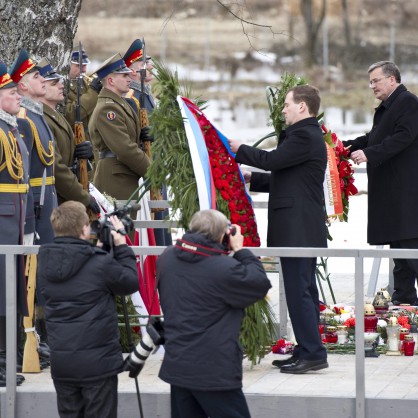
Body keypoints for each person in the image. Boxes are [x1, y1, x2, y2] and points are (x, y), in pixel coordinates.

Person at [126, 209, 271, 418]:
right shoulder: (224, 269)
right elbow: (259, 284)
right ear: (223, 235)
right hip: (214, 370)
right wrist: (240, 250)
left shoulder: (167, 258)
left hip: (179, 365)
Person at [228, 84, 328, 374]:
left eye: (287, 104)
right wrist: (251, 179)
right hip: (298, 227)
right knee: (301, 290)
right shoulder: (303, 136)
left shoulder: (305, 136)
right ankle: (308, 349)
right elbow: (284, 179)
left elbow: (272, 161)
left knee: (300, 291)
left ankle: (313, 352)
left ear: (302, 107)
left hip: (299, 228)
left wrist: (239, 150)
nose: (283, 109)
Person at [37, 200, 139, 418]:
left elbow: (77, 267)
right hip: (98, 365)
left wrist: (98, 250)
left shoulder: (45, 262)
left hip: (63, 364)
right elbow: (130, 282)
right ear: (85, 229)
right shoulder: (99, 263)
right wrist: (121, 245)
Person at [344, 61, 418, 306]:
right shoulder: (388, 107)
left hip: (406, 195)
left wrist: (370, 154)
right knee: (400, 259)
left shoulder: (407, 102)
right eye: (370, 81)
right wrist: (346, 146)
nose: (371, 85)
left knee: (411, 254)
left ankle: (405, 301)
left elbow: (403, 137)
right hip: (393, 196)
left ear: (392, 79)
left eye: (376, 80)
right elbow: (373, 137)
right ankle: (405, 307)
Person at [36, 58, 99, 213]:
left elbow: (65, 153)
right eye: (54, 83)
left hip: (66, 196)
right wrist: (83, 196)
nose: (61, 85)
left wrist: (80, 152)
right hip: (58, 199)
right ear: (41, 87)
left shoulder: (55, 115)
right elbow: (57, 168)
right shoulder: (42, 118)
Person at [0, 61, 30, 385]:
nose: (17, 94)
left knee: (9, 294)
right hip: (2, 224)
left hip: (14, 221)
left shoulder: (10, 128)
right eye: (10, 91)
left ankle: (6, 360)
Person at [9, 49, 58, 245]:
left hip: (47, 201)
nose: (44, 80)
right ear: (23, 86)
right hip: (36, 205)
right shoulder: (23, 119)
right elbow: (23, 174)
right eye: (37, 77)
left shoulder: (36, 115)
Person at [89, 53, 151, 202]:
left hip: (124, 176)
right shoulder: (108, 109)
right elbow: (125, 148)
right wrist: (151, 170)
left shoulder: (119, 104)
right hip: (115, 180)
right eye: (124, 76)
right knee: (118, 225)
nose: (129, 78)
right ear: (111, 80)